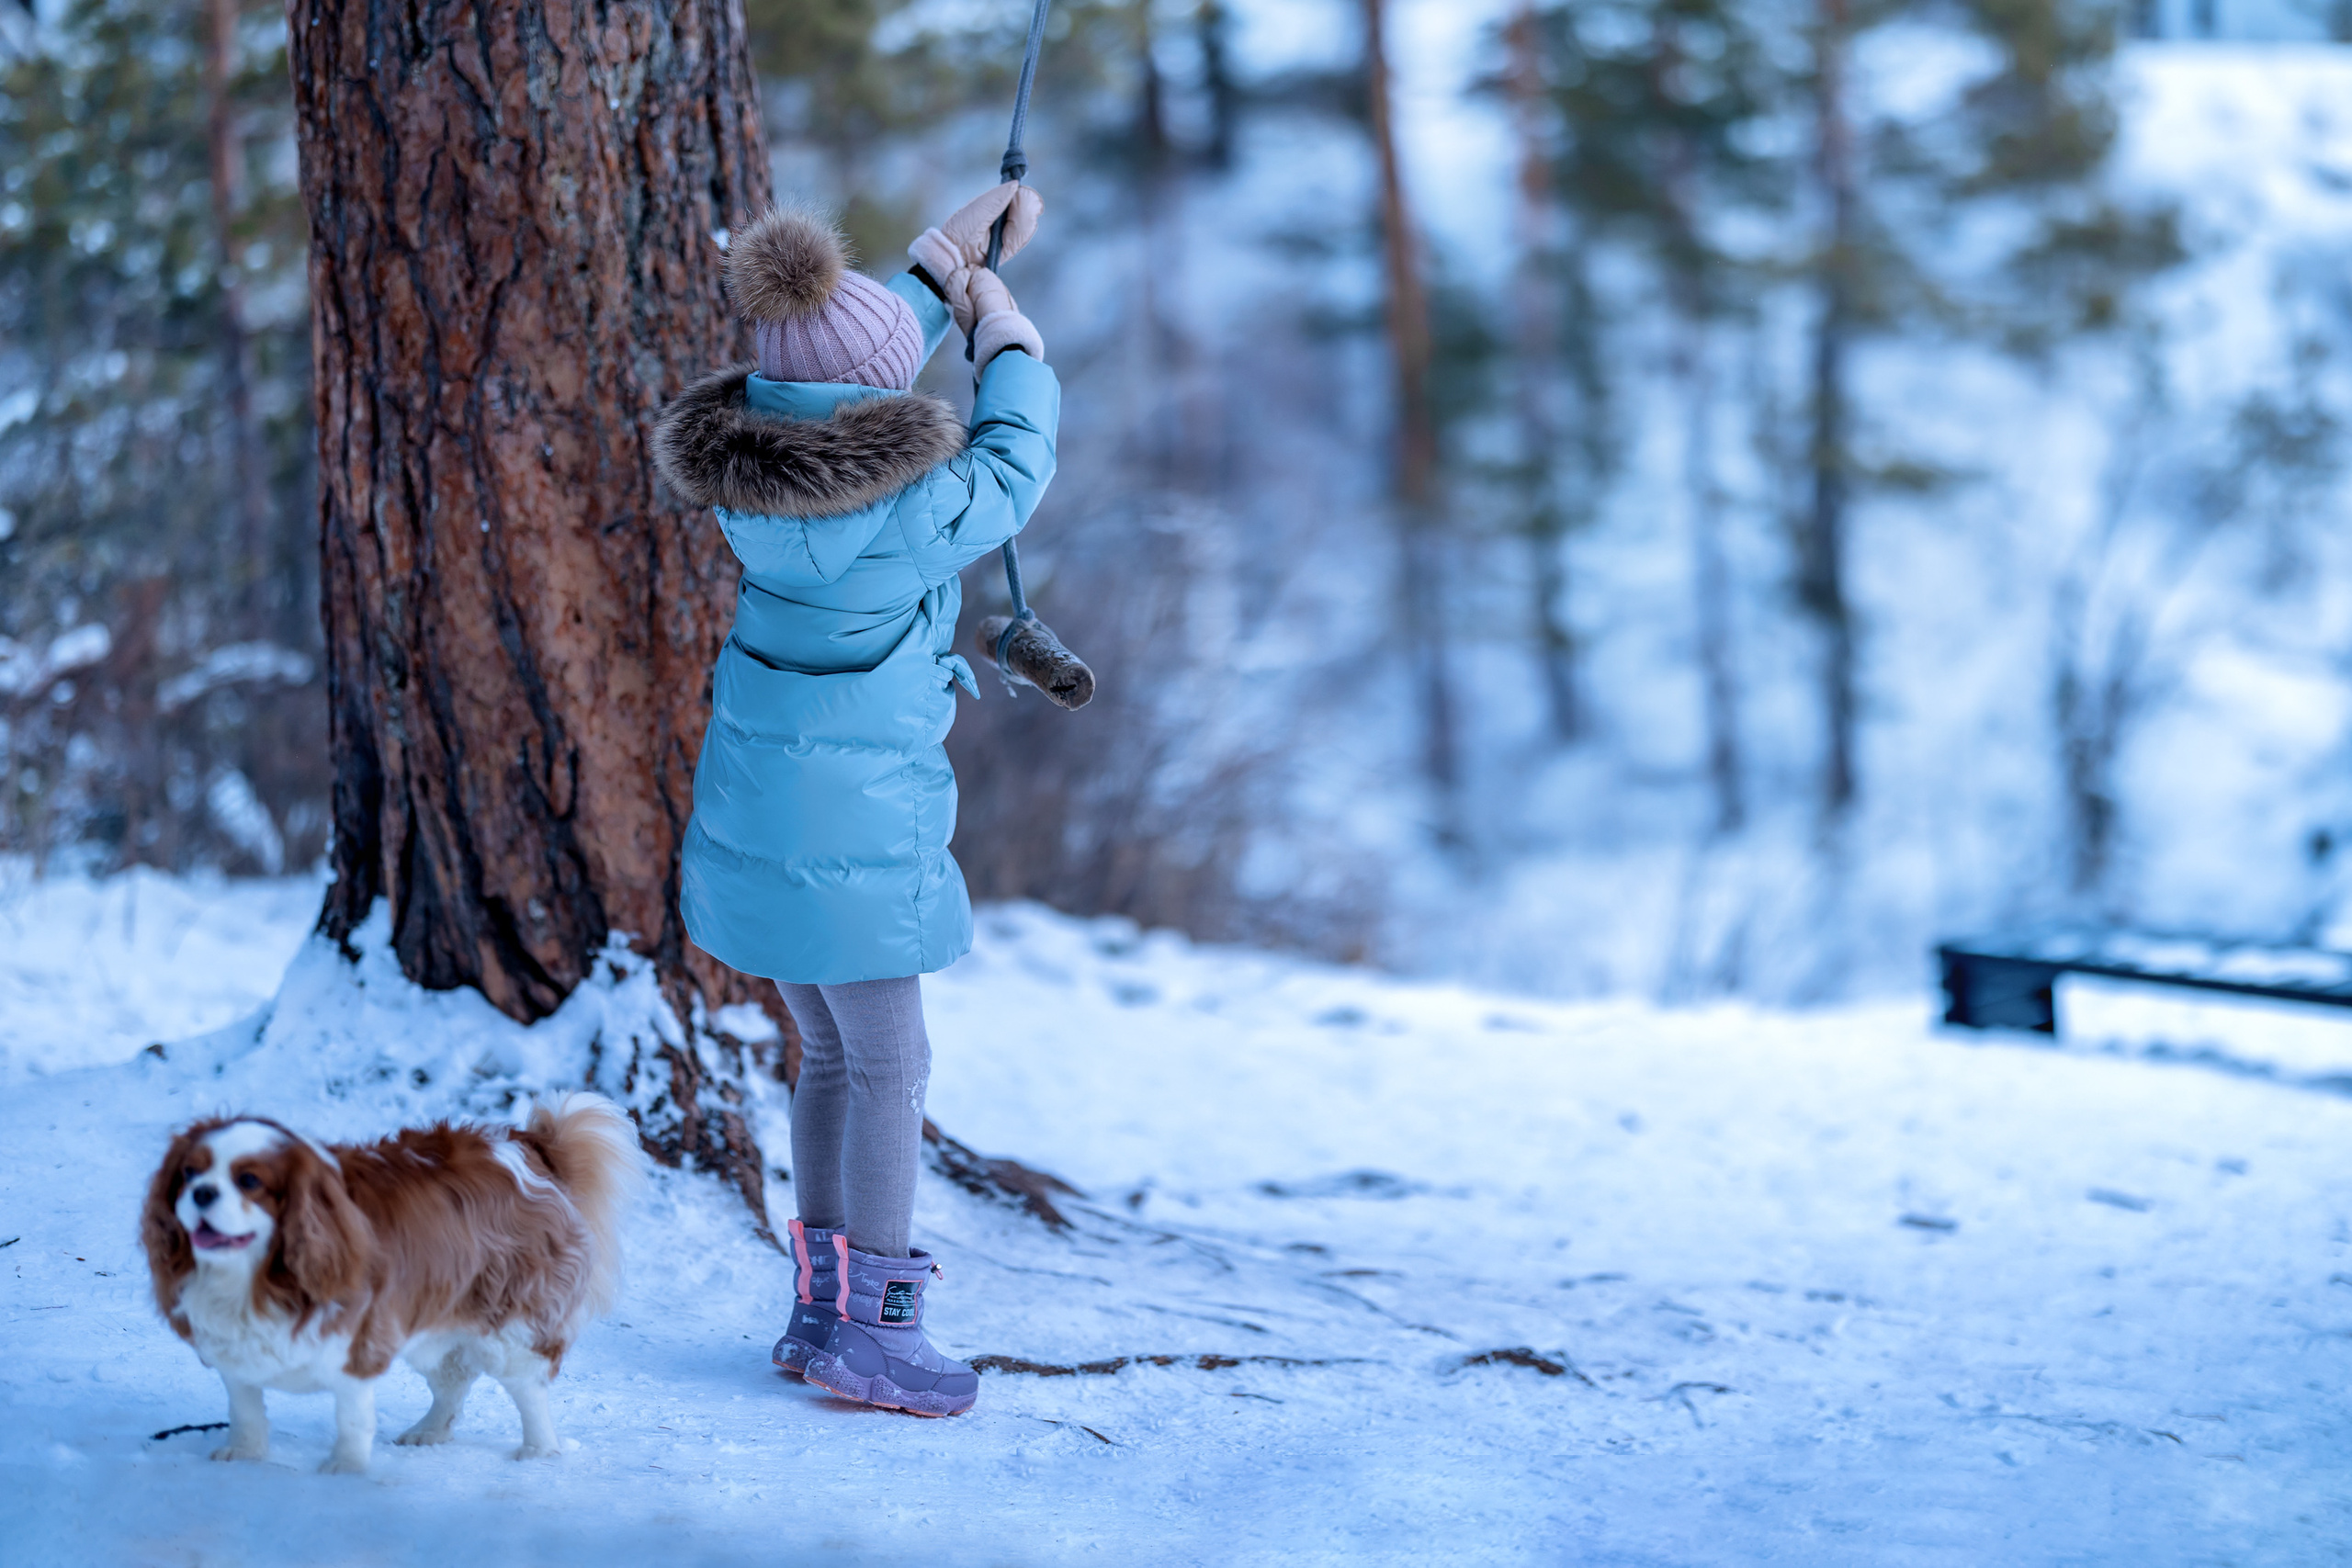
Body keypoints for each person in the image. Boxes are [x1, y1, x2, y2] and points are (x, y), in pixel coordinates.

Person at [651, 185, 1056, 1418]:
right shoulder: (909, 511)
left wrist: (945, 263)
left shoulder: (757, 484)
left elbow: (846, 371)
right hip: (856, 845)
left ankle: (820, 1310)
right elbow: (1015, 464)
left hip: (763, 829)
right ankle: (879, 1329)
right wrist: (1008, 342)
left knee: (825, 1053)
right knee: (890, 1063)